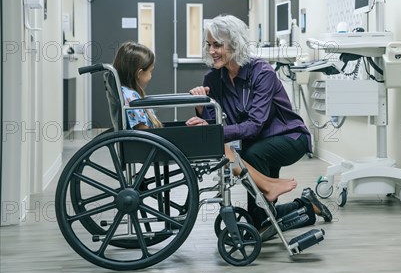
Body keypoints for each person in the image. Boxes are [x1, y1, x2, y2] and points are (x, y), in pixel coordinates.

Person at [188, 15, 332, 229]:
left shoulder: (262, 72)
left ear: (235, 44)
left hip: (289, 137)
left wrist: (215, 132)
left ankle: (280, 209)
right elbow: (216, 124)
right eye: (209, 45)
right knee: (261, 216)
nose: (211, 51)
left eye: (217, 45)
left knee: (251, 156)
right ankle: (306, 206)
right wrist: (202, 108)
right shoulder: (213, 79)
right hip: (257, 143)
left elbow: (254, 125)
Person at [112, 41, 297, 202]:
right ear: (139, 73)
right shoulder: (131, 98)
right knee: (220, 147)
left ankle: (267, 184)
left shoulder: (127, 94)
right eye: (150, 72)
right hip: (154, 145)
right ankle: (267, 185)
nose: (151, 76)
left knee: (223, 148)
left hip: (156, 143)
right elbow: (143, 131)